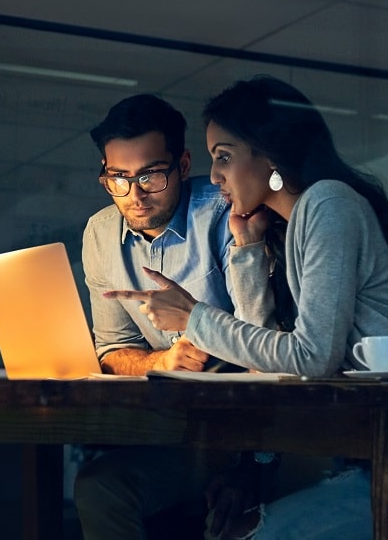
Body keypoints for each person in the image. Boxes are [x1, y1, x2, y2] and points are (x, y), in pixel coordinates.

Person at [105, 75, 388, 538]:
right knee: (238, 529)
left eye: (223, 157)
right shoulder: (295, 223)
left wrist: (193, 317)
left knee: (251, 532)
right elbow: (263, 360)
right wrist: (245, 247)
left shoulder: (329, 204)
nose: (215, 175)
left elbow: (312, 357)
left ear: (270, 154)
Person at [75, 93, 258, 539]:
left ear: (182, 163)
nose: (134, 194)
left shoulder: (226, 211)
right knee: (98, 487)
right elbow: (113, 349)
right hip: (164, 428)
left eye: (151, 175)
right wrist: (163, 363)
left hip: (247, 425)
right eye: (118, 177)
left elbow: (267, 337)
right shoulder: (101, 234)